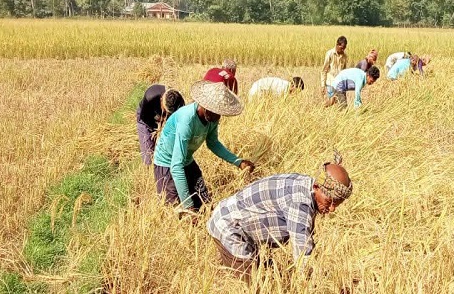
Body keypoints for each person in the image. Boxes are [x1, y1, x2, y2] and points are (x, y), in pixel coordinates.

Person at [207, 155, 353, 278]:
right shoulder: (299, 202)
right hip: (229, 228)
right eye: (329, 201)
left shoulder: (307, 184)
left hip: (238, 224)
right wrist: (316, 287)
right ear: (316, 187)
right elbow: (302, 253)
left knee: (269, 276)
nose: (332, 209)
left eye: (337, 204)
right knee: (255, 290)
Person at [153, 80, 254, 211]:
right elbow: (176, 166)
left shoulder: (211, 118)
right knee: (176, 210)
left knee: (204, 202)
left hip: (186, 159)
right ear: (205, 106)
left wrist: (238, 162)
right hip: (167, 163)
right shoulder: (187, 121)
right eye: (215, 112)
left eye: (220, 113)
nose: (218, 117)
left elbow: (213, 143)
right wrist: (187, 206)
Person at [136, 85, 185, 165]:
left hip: (162, 118)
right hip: (147, 118)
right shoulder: (151, 96)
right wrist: (158, 128)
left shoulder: (177, 100)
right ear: (162, 100)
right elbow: (145, 118)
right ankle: (148, 170)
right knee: (148, 155)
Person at [321, 36, 348, 100]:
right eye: (341, 48)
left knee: (342, 103)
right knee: (333, 103)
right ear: (337, 45)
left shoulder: (345, 56)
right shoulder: (329, 54)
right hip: (331, 83)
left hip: (340, 84)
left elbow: (344, 71)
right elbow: (324, 70)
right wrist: (323, 85)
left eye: (344, 48)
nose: (343, 50)